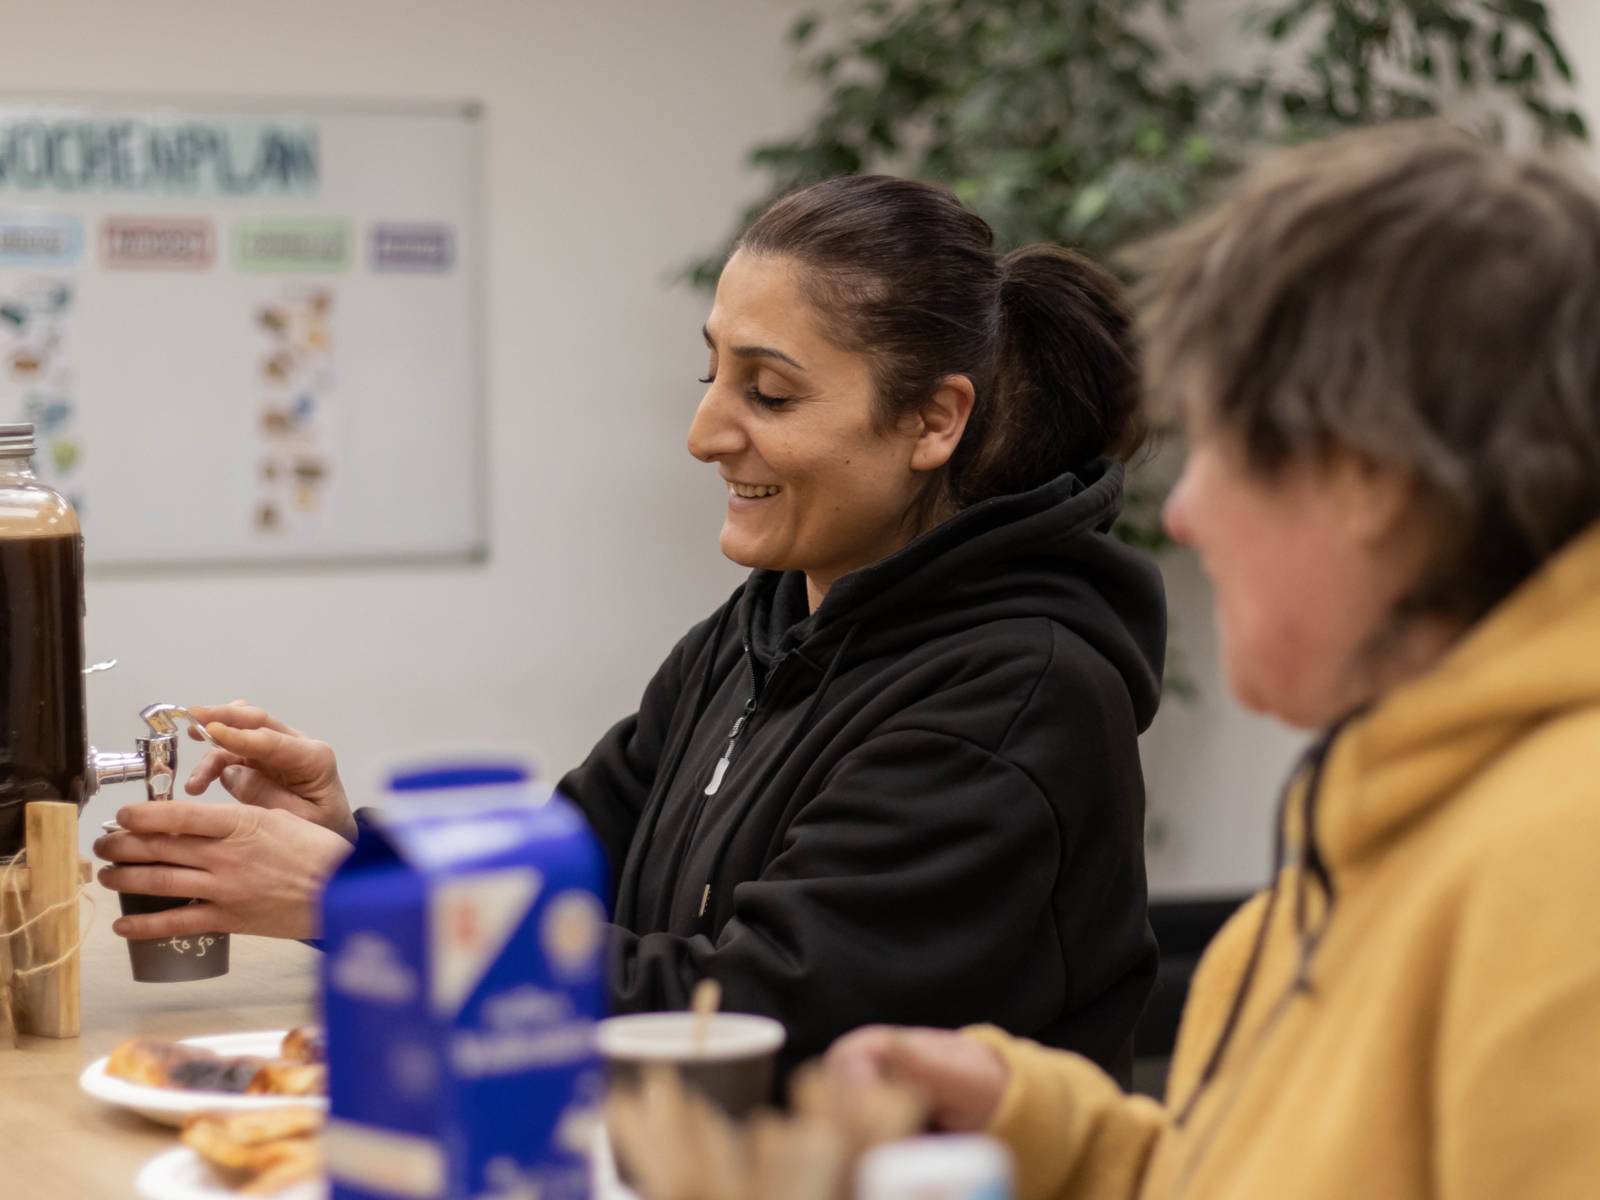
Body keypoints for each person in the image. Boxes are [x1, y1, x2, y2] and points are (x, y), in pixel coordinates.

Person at [95, 175, 1167, 1077]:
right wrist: (351, 850)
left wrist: (354, 906)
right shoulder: (765, 624)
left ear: (935, 419)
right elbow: (570, 866)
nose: (705, 433)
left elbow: (741, 1023)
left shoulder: (1020, 696)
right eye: (712, 372)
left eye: (770, 395)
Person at [825, 124, 1600, 1198]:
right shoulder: (1358, 851)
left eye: (1218, 447)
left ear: (1361, 470)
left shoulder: (1563, 874)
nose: (1182, 517)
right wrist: (1034, 1126)